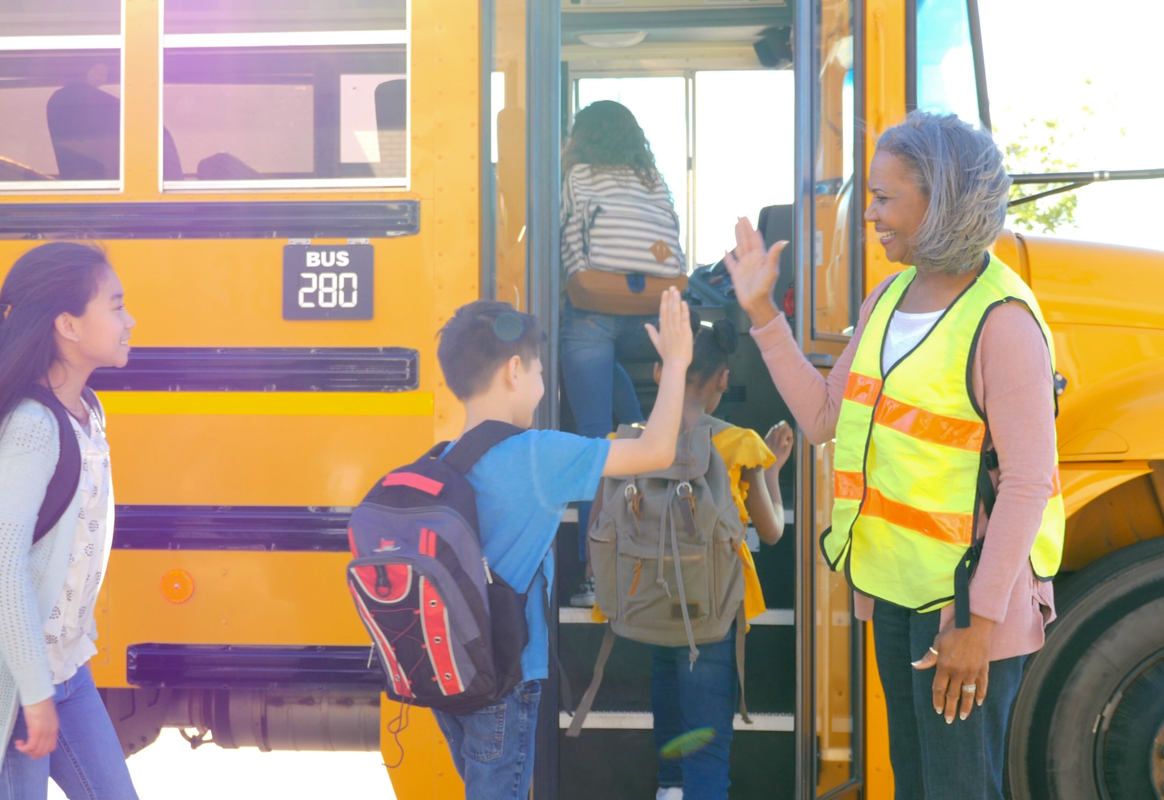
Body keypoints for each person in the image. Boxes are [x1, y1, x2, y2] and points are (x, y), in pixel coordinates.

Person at [724, 110, 1064, 799]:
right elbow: (823, 419)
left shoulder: (1004, 321)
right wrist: (763, 312)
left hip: (963, 609)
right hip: (894, 593)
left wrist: (977, 623)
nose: (869, 215)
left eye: (884, 198)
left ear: (941, 200)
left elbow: (1030, 483)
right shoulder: (889, 296)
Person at [431, 288, 695, 800]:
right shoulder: (536, 454)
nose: (542, 385)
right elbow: (656, 450)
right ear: (514, 371)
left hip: (448, 670)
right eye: (538, 373)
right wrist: (678, 363)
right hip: (505, 677)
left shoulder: (442, 459)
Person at [0, 242, 139, 800]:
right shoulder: (31, 426)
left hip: (65, 671)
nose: (129, 320)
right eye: (115, 306)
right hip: (9, 679)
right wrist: (35, 694)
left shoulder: (87, 411)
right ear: (68, 323)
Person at [642, 322, 794, 800]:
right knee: (707, 754)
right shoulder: (739, 443)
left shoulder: (633, 440)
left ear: (657, 371)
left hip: (647, 603)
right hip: (710, 612)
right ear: (723, 379)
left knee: (670, 753)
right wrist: (770, 474)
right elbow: (771, 533)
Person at [559, 100, 686, 607]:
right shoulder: (651, 178)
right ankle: (655, 548)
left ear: (581, 136)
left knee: (594, 441)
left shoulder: (577, 174)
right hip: (649, 310)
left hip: (593, 301)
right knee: (636, 428)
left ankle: (596, 573)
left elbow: (561, 236)